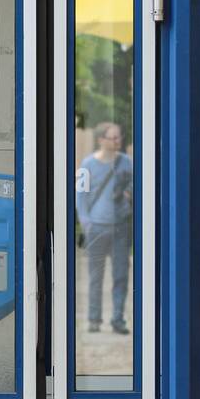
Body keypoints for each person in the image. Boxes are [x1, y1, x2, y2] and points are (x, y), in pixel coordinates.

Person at [76, 122, 133, 334]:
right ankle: (94, 319)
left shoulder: (127, 163)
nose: (118, 141)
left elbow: (138, 187)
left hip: (120, 228)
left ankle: (118, 319)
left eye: (119, 137)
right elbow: (80, 196)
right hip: (97, 229)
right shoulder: (87, 164)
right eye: (114, 137)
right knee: (95, 277)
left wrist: (129, 193)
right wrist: (86, 223)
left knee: (121, 275)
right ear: (101, 140)